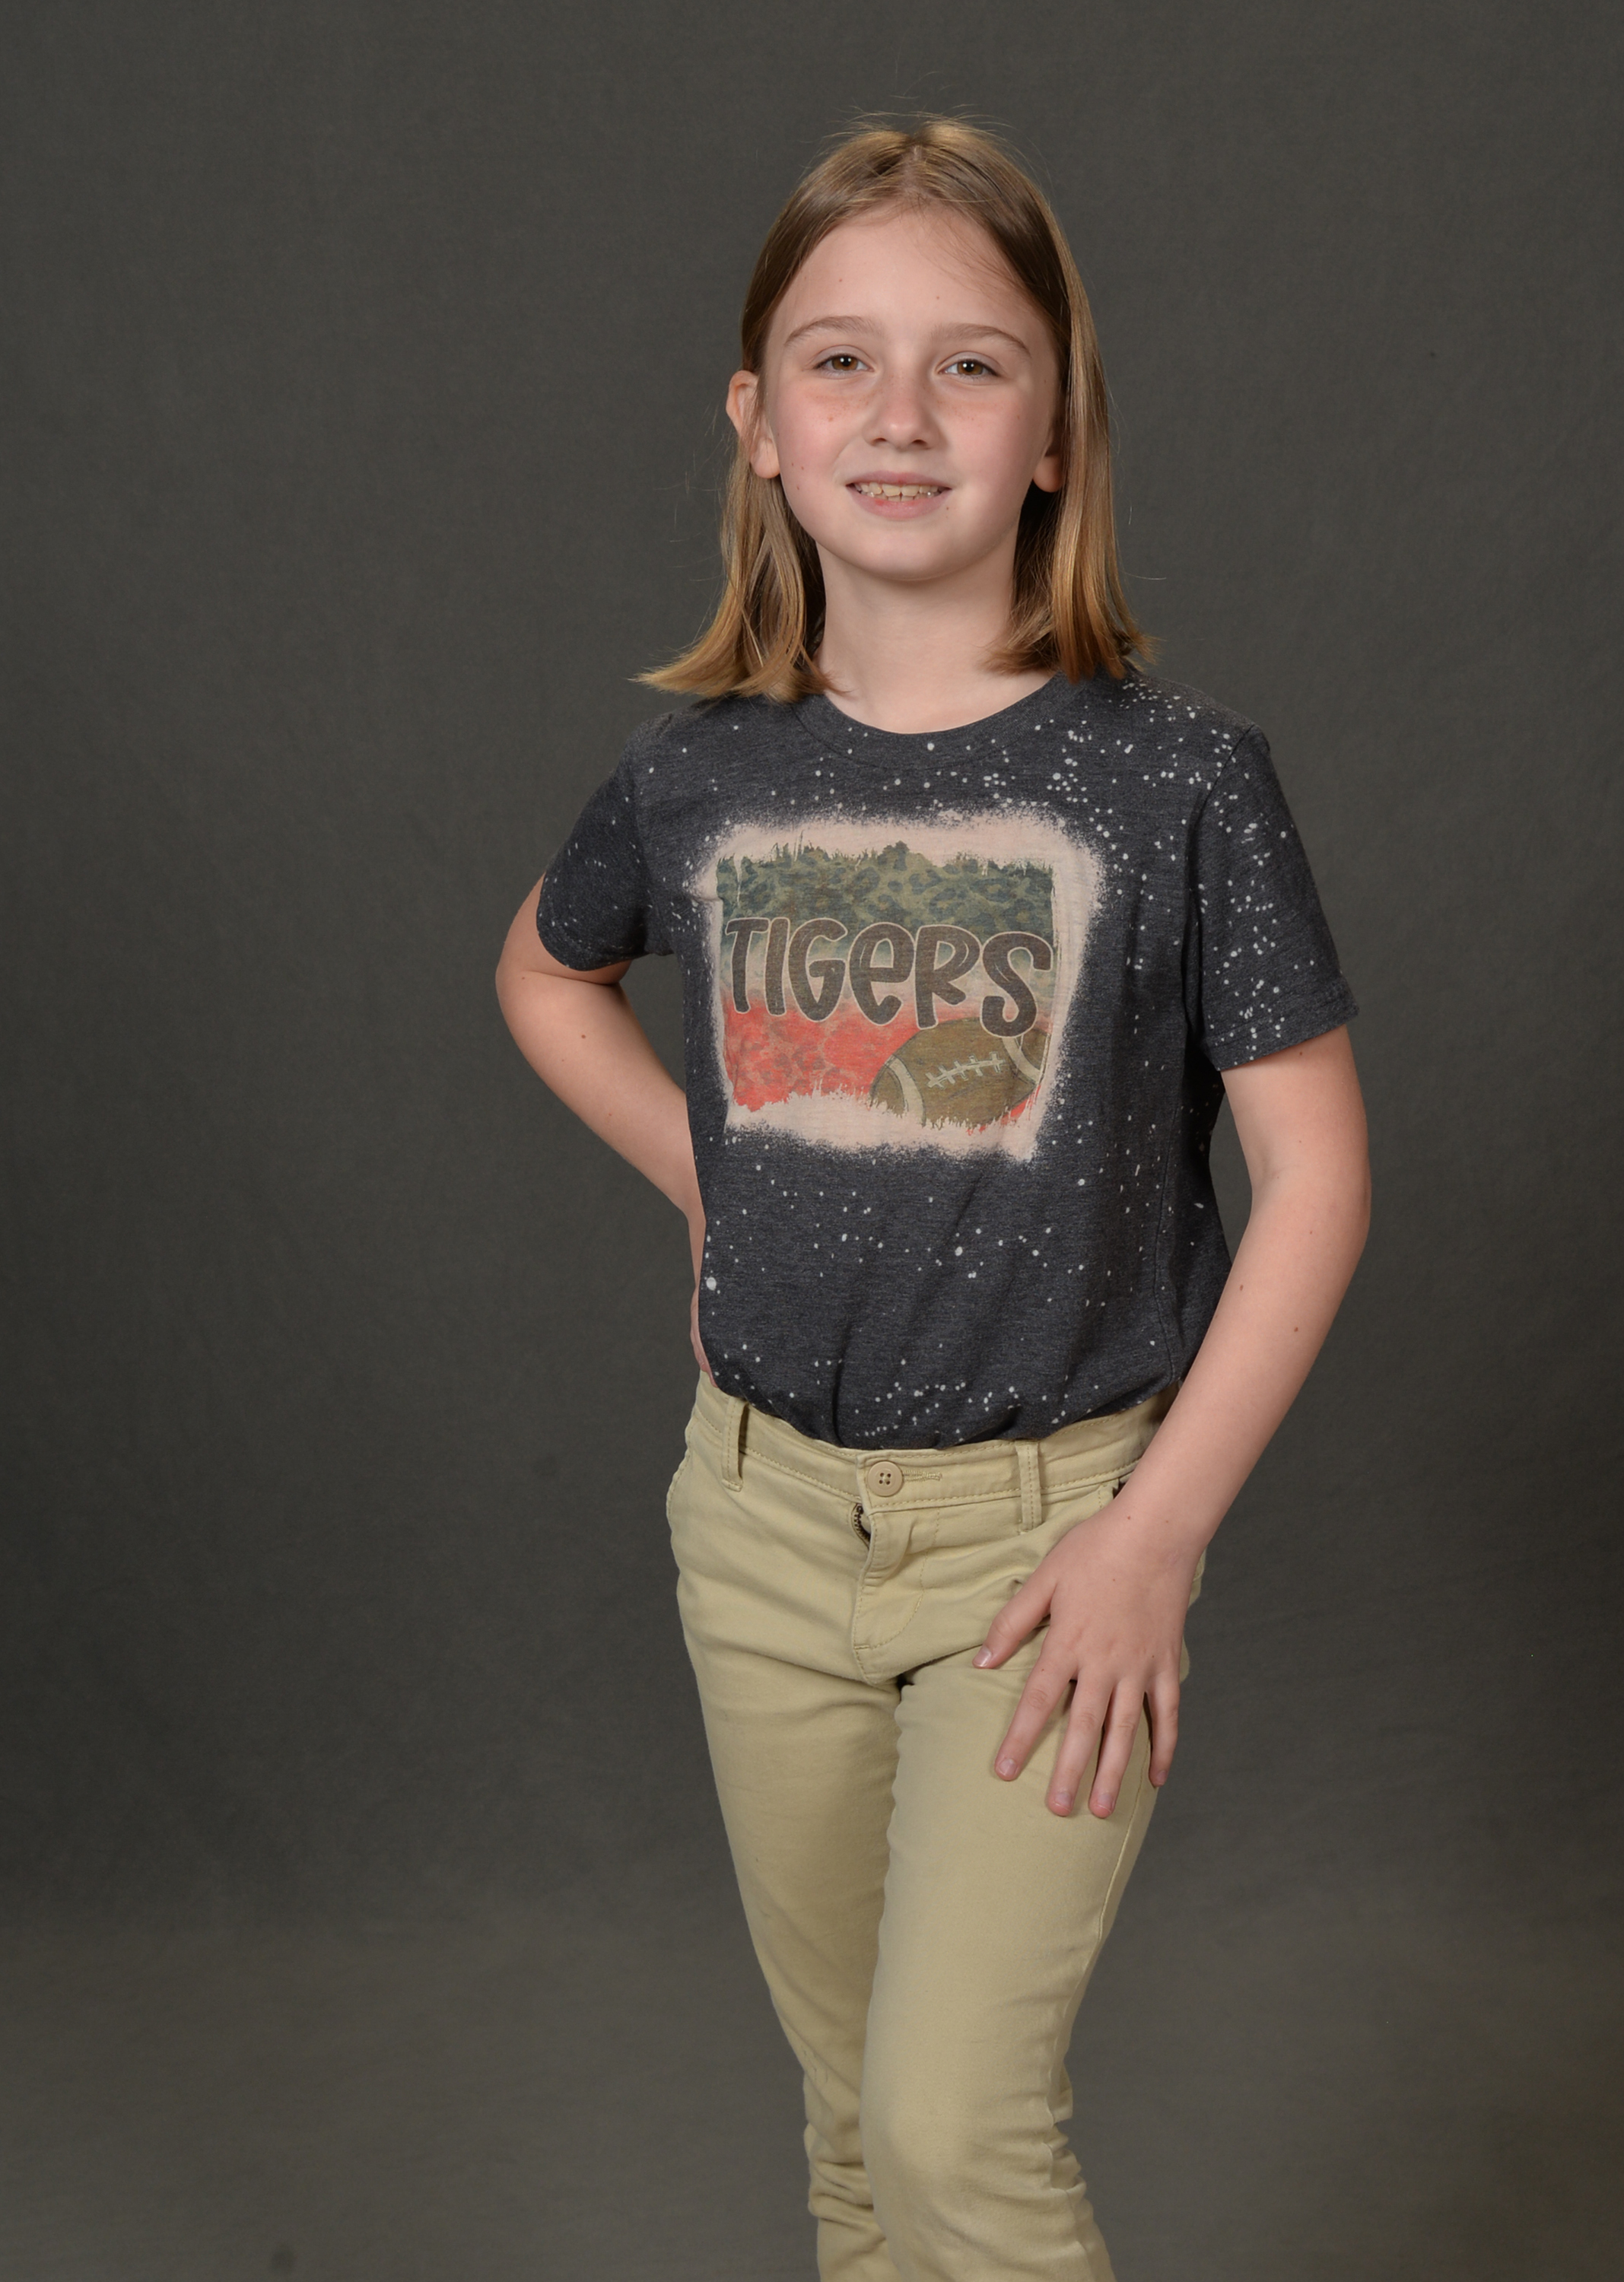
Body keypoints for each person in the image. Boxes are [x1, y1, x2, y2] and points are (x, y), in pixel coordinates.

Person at [496, 116, 1370, 2282]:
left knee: (954, 2123)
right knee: (853, 2134)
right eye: (840, 362)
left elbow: (1320, 1179)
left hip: (1051, 1550)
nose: (901, 414)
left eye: (971, 365)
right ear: (760, 422)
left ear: (1055, 430)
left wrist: (1153, 1539)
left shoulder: (1177, 779)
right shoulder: (699, 771)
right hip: (762, 1528)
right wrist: (713, 1184)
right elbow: (543, 973)